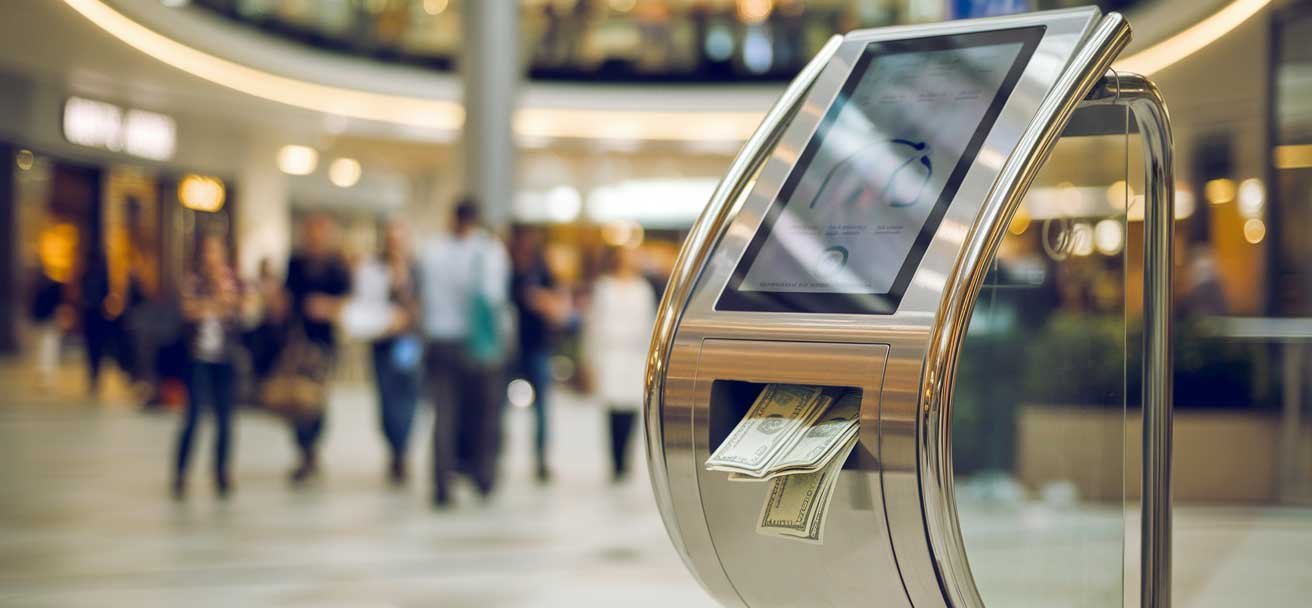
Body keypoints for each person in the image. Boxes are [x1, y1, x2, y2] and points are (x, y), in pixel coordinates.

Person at [417, 198, 511, 507]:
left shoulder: (432, 252)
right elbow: (493, 299)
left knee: (444, 413)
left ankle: (442, 482)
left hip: (440, 340)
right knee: (484, 412)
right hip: (477, 345)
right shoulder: (488, 252)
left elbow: (424, 296)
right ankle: (483, 476)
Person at [173, 234, 246, 499]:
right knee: (193, 417)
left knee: (226, 419)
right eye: (207, 251)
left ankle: (221, 471)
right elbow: (189, 310)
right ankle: (181, 472)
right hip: (198, 357)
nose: (211, 257)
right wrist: (216, 305)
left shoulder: (233, 282)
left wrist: (217, 305)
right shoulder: (193, 282)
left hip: (225, 358)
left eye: (216, 251)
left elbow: (240, 310)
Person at [283, 214, 351, 484]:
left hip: (325, 342)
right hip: (300, 341)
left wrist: (328, 307)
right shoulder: (297, 262)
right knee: (298, 396)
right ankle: (303, 450)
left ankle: (314, 446)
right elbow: (288, 297)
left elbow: (347, 300)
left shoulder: (336, 265)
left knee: (318, 398)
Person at [582, 245, 656, 482]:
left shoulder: (642, 289)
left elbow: (648, 324)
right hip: (611, 353)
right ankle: (614, 460)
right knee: (612, 408)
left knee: (630, 408)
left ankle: (626, 459)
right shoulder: (604, 287)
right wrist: (590, 358)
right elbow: (593, 325)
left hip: (634, 354)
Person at [356, 221, 421, 485]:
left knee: (407, 397)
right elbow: (366, 302)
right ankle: (393, 443)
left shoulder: (415, 269)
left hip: (407, 342)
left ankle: (402, 450)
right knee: (386, 398)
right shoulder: (373, 268)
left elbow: (421, 302)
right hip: (382, 341)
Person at [509, 225, 570, 482]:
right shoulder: (506, 267)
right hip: (509, 347)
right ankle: (495, 454)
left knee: (543, 407)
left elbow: (557, 303)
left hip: (538, 347)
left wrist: (542, 300)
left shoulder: (541, 268)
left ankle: (541, 459)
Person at [76, 250, 112, 396]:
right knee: (95, 348)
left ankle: (94, 377)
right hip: (95, 316)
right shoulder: (97, 276)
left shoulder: (90, 276)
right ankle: (94, 377)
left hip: (93, 316)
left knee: (93, 348)